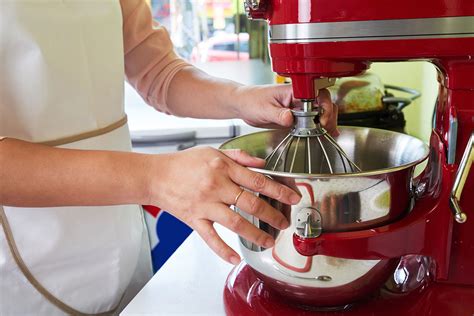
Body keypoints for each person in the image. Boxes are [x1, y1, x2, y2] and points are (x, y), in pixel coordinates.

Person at [0, 0, 338, 314]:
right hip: (25, 266)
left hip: (120, 242)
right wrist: (154, 179)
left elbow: (158, 72)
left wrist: (242, 98)